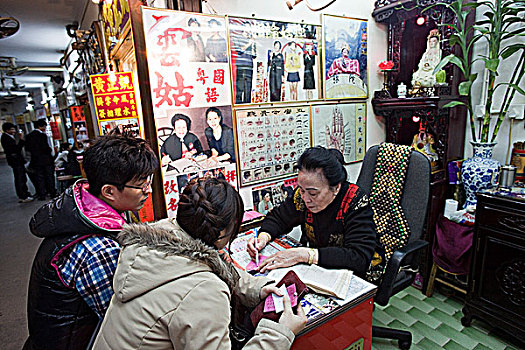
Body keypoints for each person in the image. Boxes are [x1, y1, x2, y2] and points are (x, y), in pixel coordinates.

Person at [92, 178, 306, 349]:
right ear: (224, 233)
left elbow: (212, 265)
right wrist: (279, 333)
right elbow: (199, 287)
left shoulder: (160, 238)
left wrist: (256, 288)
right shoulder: (204, 292)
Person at [24, 134, 159, 350]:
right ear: (109, 191)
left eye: (149, 181)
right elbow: (121, 321)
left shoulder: (84, 207)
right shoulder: (96, 249)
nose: (148, 191)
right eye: (141, 185)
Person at [247, 146, 377, 276]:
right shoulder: (302, 196)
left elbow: (359, 257)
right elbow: (279, 218)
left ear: (336, 188)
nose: (305, 198)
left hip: (354, 275)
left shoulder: (354, 201)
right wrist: (263, 237)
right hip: (320, 269)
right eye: (302, 190)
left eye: (313, 193)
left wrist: (304, 255)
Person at [1, 122, 34, 202]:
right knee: (20, 177)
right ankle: (23, 195)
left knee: (21, 177)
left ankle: (25, 193)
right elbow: (15, 149)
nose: (14, 131)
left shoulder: (8, 137)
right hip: (15, 161)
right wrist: (21, 140)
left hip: (16, 161)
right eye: (12, 129)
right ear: (7, 130)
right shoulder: (6, 138)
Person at [24, 119, 57, 200]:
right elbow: (45, 148)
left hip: (36, 161)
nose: (45, 128)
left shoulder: (28, 136)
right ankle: (52, 192)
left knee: (39, 178)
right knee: (49, 176)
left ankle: (42, 194)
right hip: (46, 160)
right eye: (44, 126)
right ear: (40, 126)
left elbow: (27, 148)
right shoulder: (42, 136)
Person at [234, 30, 257, 104]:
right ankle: (239, 104)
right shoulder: (238, 39)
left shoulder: (251, 40)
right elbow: (240, 50)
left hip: (249, 65)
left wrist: (253, 45)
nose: (247, 32)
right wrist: (249, 43)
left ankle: (247, 104)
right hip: (241, 65)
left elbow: (254, 55)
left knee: (248, 87)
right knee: (240, 87)